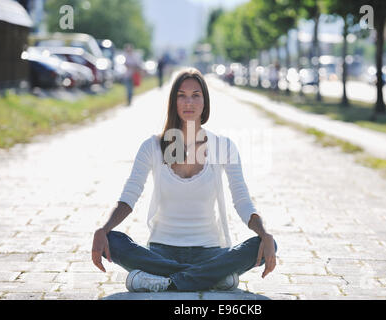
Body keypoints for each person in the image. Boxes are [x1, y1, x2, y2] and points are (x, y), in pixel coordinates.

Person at [91, 68, 277, 293]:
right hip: (161, 252)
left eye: (196, 95)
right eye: (182, 95)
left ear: (205, 102)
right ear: (173, 102)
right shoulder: (152, 146)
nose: (189, 102)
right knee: (112, 240)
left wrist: (264, 233)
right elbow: (129, 196)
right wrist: (104, 228)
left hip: (210, 251)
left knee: (268, 243)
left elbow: (241, 199)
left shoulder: (223, 146)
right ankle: (211, 277)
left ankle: (169, 281)